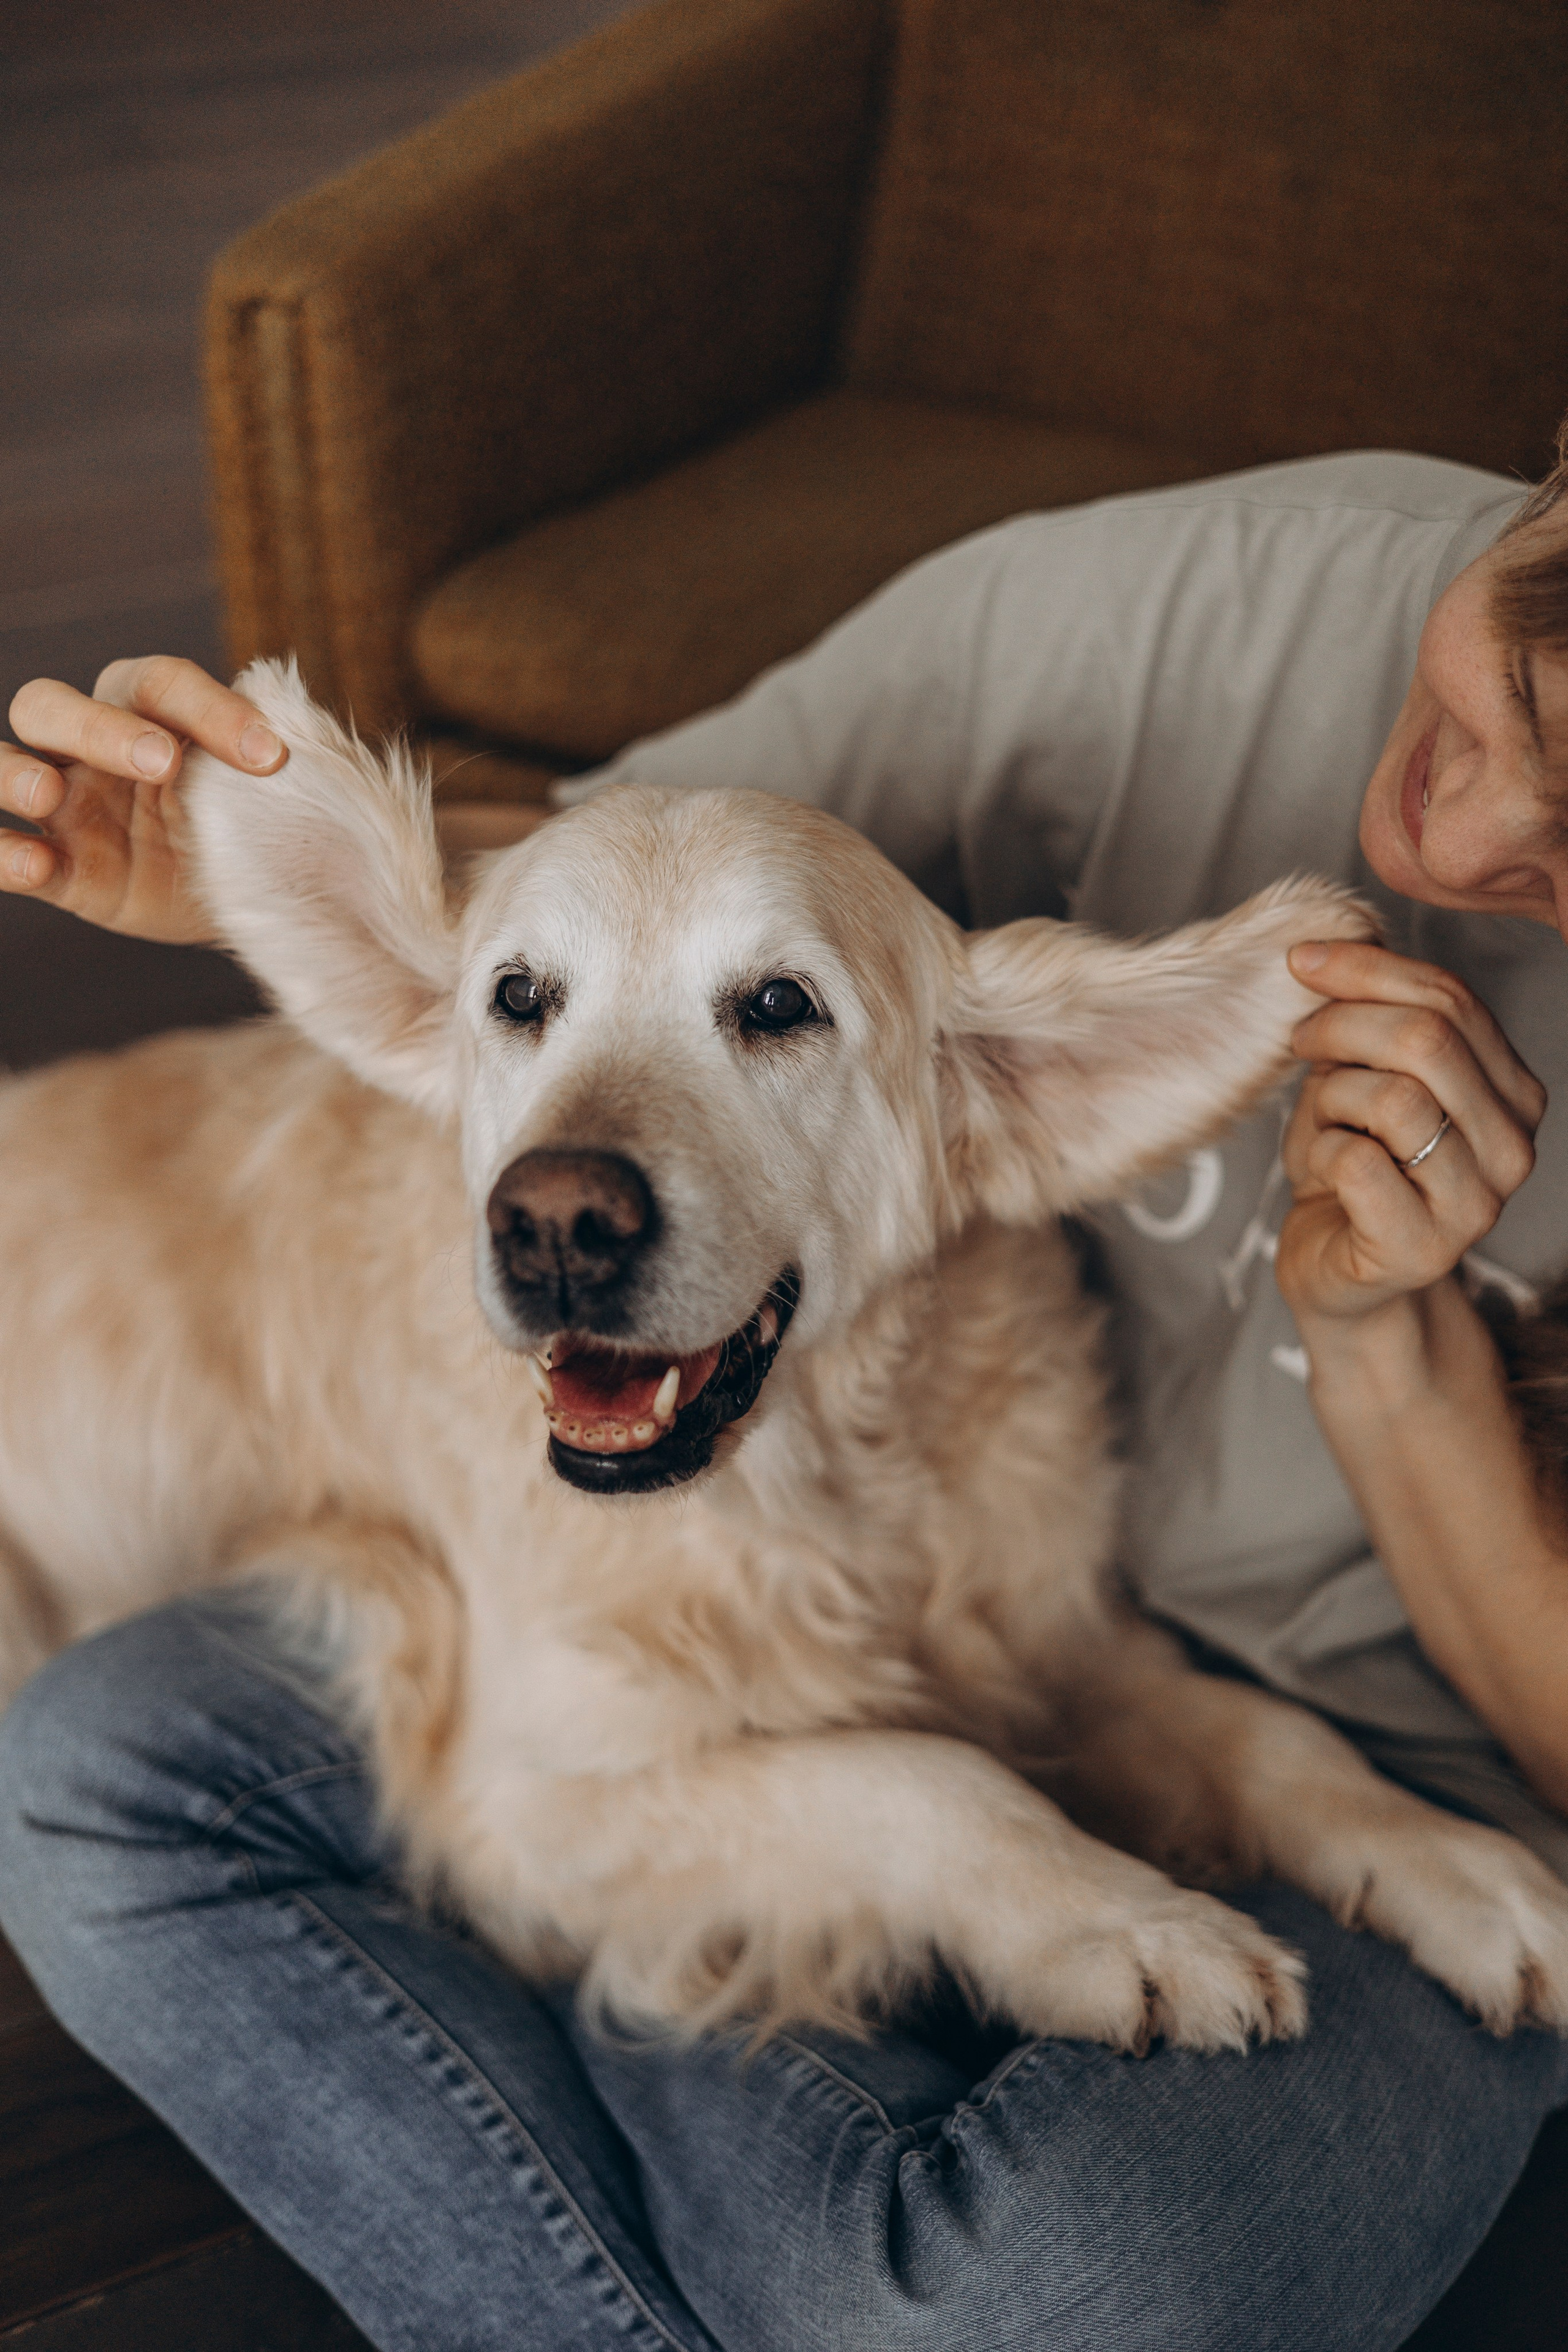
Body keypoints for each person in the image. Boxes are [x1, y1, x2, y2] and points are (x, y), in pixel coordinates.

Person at [1, 432, 1567, 2352]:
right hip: (643, 1648)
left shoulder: (996, 1150)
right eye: (1530, 691)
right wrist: (250, 884)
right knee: (83, 1765)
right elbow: (621, 858)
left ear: (1009, 1101)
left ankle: (637, 1979)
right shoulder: (1209, 602)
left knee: (1037, 2288)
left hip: (1447, 1757)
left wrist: (1392, 1347)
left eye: (775, 1017)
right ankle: (698, 1931)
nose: (1487, 845)